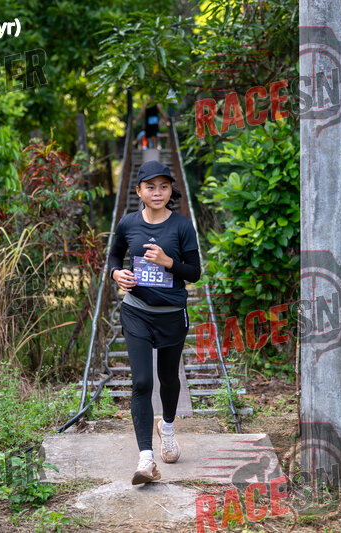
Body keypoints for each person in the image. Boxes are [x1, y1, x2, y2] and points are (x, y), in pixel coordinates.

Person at [107, 160, 202, 485]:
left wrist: (168, 262)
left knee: (169, 379)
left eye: (164, 187)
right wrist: (116, 273)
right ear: (139, 191)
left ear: (171, 190)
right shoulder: (128, 223)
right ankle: (145, 460)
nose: (158, 192)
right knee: (143, 383)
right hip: (136, 311)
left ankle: (168, 429)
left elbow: (194, 273)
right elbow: (114, 255)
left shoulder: (182, 226)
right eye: (151, 187)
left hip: (172, 315)